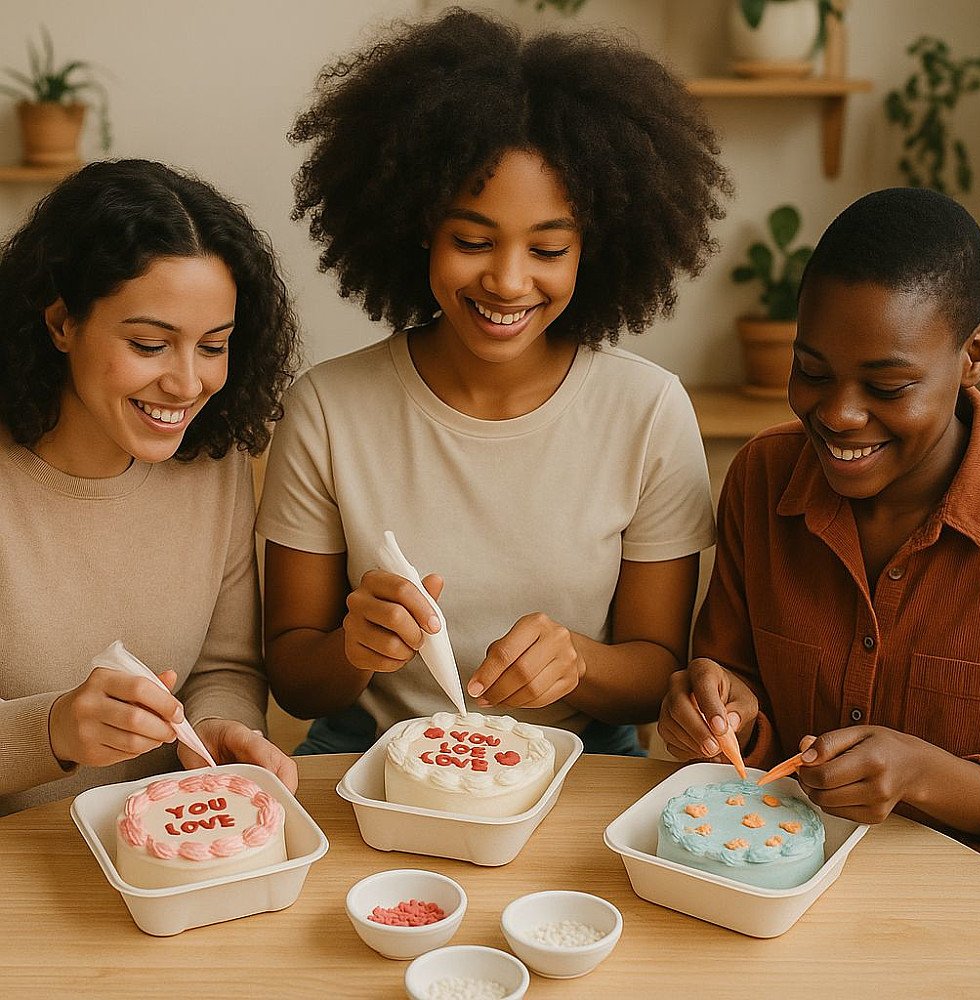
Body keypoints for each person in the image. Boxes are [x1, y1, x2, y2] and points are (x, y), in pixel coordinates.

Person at [257, 8, 730, 756]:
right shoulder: (328, 409)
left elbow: (654, 675)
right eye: (472, 240)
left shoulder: (647, 412)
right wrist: (352, 647)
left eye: (548, 248)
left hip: (580, 767)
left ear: (593, 249)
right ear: (419, 228)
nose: (508, 282)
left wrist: (579, 664)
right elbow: (291, 677)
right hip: (369, 759)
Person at [657, 187, 980, 858]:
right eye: (811, 370)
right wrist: (724, 713)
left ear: (974, 358)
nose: (839, 414)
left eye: (887, 387)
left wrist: (928, 777)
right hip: (769, 884)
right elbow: (732, 681)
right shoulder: (762, 478)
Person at [0, 159, 301, 815]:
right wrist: (50, 729)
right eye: (149, 344)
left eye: (213, 345)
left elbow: (225, 667)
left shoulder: (213, 466)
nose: (188, 384)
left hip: (168, 852)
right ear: (60, 323)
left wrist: (221, 729)